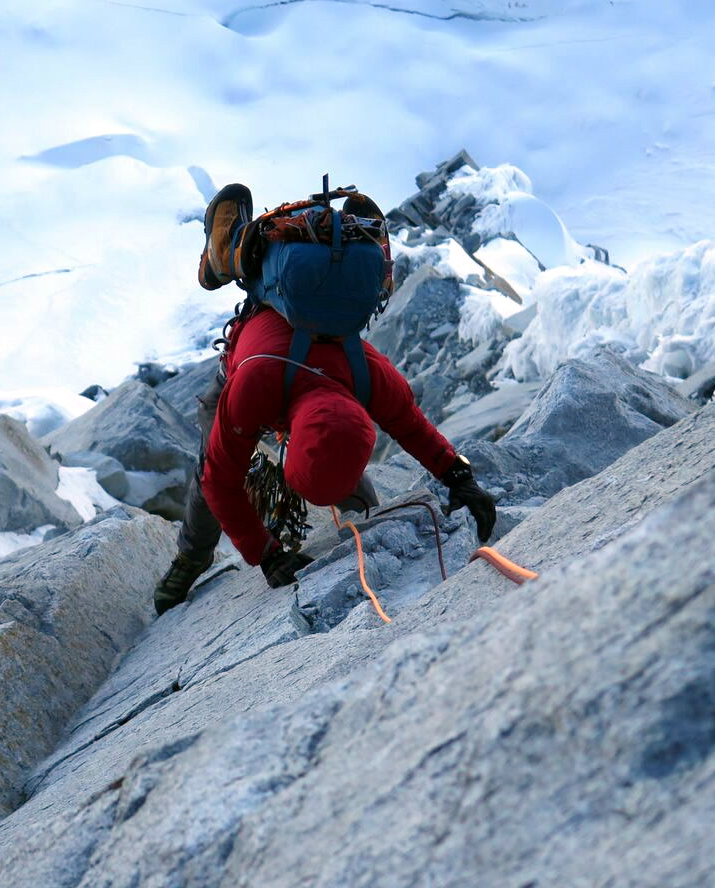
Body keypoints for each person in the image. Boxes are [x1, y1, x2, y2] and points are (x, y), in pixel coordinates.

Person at [153, 182, 496, 614]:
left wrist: (460, 478)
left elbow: (409, 423)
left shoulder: (368, 375)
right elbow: (219, 480)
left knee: (332, 470)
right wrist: (266, 554)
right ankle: (190, 558)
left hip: (288, 375)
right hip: (253, 363)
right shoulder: (265, 384)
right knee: (213, 461)